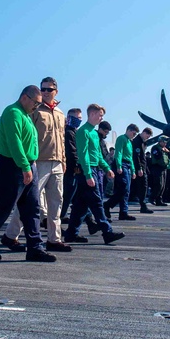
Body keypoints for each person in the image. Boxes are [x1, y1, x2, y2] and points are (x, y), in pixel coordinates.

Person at [0, 86, 55, 262]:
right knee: (3, 208)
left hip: (28, 165)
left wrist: (28, 166)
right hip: (12, 166)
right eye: (36, 103)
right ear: (25, 97)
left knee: (32, 209)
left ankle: (35, 248)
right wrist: (24, 166)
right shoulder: (12, 112)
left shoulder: (26, 115)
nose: (37, 107)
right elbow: (14, 142)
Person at [1, 78, 71, 252]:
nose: (45, 92)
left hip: (56, 162)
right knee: (30, 202)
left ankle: (54, 239)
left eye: (49, 89)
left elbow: (61, 139)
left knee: (56, 202)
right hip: (38, 161)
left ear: (56, 91)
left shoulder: (61, 113)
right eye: (43, 89)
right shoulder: (34, 110)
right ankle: (11, 235)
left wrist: (63, 160)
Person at [63, 104, 125, 245]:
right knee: (97, 202)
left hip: (95, 169)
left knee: (81, 205)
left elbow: (97, 155)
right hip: (88, 171)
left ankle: (71, 234)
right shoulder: (83, 132)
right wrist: (88, 174)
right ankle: (107, 232)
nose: (101, 118)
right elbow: (83, 155)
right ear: (91, 114)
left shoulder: (94, 133)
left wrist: (106, 168)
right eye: (100, 115)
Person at [105, 124, 139, 220]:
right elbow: (118, 152)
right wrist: (119, 165)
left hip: (127, 165)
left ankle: (123, 212)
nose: (134, 135)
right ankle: (108, 205)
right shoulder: (121, 139)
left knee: (126, 190)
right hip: (122, 164)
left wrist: (133, 170)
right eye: (133, 133)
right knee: (123, 189)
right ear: (128, 130)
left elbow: (130, 157)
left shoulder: (129, 142)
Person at [60, 107, 82, 221]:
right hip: (70, 168)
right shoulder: (68, 132)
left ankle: (63, 214)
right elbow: (71, 151)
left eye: (80, 118)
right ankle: (61, 214)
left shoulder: (74, 132)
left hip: (72, 167)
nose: (79, 120)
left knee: (72, 193)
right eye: (77, 118)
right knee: (68, 193)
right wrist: (76, 165)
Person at [132, 126, 154, 213]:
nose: (147, 138)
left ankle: (143, 205)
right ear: (144, 133)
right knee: (143, 187)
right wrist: (140, 168)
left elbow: (142, 156)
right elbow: (137, 156)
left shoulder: (143, 142)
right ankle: (143, 205)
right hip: (139, 168)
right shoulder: (137, 141)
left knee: (143, 186)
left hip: (143, 167)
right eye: (147, 136)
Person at [149, 136, 170, 206]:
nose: (165, 143)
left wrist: (167, 151)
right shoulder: (155, 148)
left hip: (164, 168)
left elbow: (168, 158)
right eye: (164, 142)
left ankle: (159, 200)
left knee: (163, 185)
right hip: (157, 167)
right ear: (160, 141)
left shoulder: (165, 149)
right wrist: (163, 150)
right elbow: (157, 156)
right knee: (159, 184)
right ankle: (152, 198)